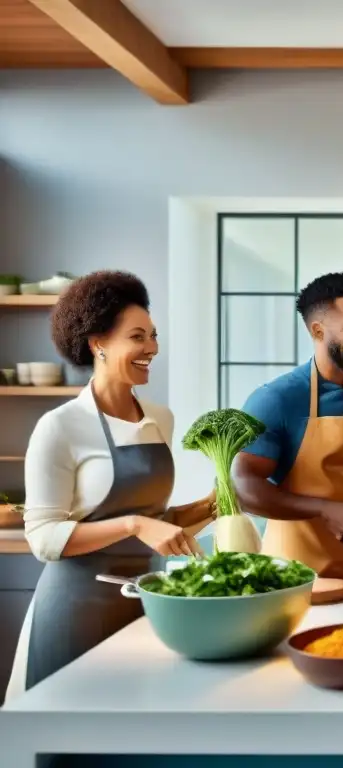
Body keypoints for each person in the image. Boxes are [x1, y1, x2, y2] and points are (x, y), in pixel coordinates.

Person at [6, 271, 215, 699]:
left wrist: (211, 507)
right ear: (98, 342)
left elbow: (157, 526)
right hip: (73, 613)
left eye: (153, 335)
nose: (152, 348)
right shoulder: (60, 426)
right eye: (137, 336)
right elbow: (44, 539)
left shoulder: (160, 418)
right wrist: (136, 525)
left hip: (144, 609)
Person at [233, 272, 343, 585]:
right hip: (292, 583)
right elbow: (243, 484)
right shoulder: (276, 400)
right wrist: (324, 509)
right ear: (318, 331)